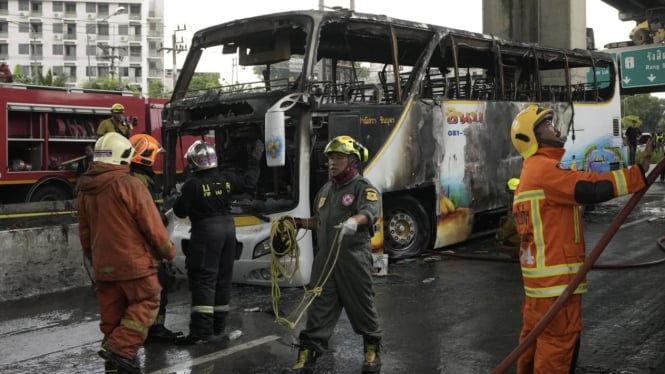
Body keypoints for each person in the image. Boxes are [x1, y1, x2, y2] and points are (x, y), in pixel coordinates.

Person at [510, 105, 650, 374]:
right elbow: (592, 188)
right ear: (532, 137)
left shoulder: (532, 171)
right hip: (556, 284)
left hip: (540, 286)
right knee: (558, 345)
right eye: (547, 124)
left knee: (533, 340)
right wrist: (638, 173)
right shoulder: (544, 169)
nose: (555, 128)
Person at [77, 132, 176, 374]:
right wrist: (168, 253)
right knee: (148, 300)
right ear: (122, 157)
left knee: (112, 320)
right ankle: (121, 351)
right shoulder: (130, 185)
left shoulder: (85, 191)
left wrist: (96, 260)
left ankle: (113, 366)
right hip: (135, 264)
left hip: (103, 267)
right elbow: (152, 225)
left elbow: (85, 235)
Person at [287, 135, 383, 374]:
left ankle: (371, 350)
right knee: (318, 308)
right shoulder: (325, 191)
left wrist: (355, 220)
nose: (332, 163)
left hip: (353, 260)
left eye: (339, 158)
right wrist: (297, 222)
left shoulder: (364, 188)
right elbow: (319, 222)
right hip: (325, 262)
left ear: (352, 161)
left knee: (363, 306)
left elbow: (370, 212)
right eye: (330, 158)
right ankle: (306, 356)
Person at [172, 139, 262, 345]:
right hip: (229, 230)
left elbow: (180, 211)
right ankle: (218, 328)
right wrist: (255, 159)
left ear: (193, 163)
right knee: (222, 279)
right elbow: (249, 183)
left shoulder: (193, 184)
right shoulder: (226, 178)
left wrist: (179, 195)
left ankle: (202, 332)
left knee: (204, 279)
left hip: (206, 232)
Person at [128, 133, 182, 344]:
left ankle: (150, 330)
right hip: (146, 246)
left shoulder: (136, 177)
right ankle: (154, 331)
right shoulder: (140, 180)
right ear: (146, 156)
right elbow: (149, 215)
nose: (156, 160)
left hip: (137, 245)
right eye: (154, 155)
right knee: (159, 285)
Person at [495, 177, 520, 258]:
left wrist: (500, 235)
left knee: (510, 240)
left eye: (510, 193)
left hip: (525, 238)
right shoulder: (525, 201)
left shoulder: (518, 205)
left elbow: (513, 223)